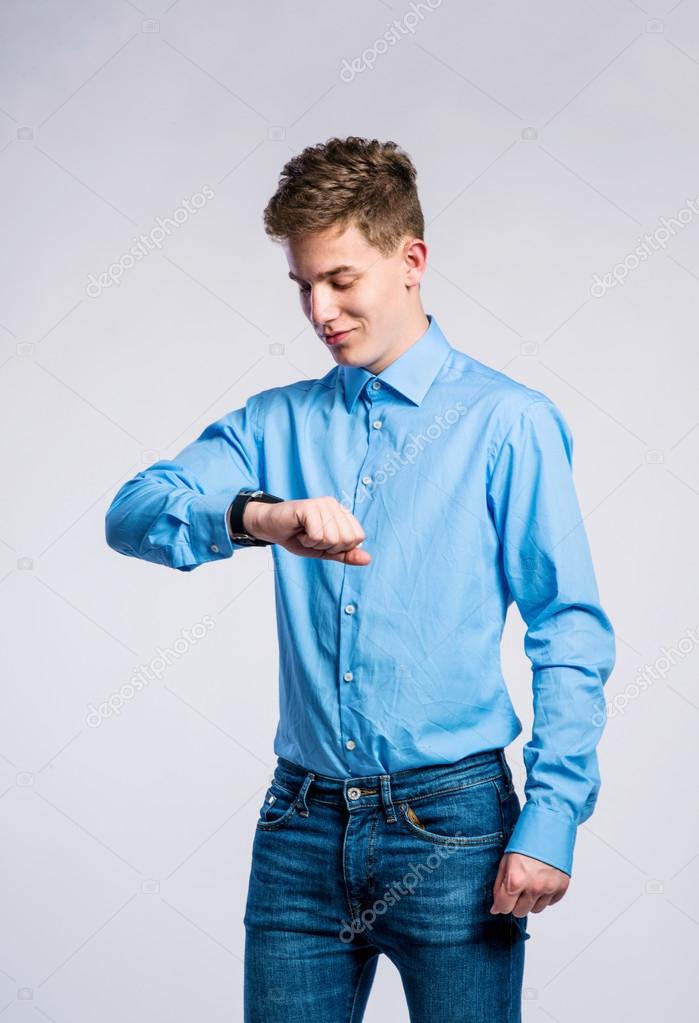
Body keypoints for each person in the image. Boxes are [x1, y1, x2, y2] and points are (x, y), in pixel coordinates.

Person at [105, 136, 615, 1022]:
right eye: (302, 285)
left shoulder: (507, 422)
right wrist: (260, 517)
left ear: (410, 261)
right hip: (297, 825)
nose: (319, 310)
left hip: (454, 830)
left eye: (340, 280)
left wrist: (552, 816)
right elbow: (132, 511)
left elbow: (565, 626)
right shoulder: (274, 422)